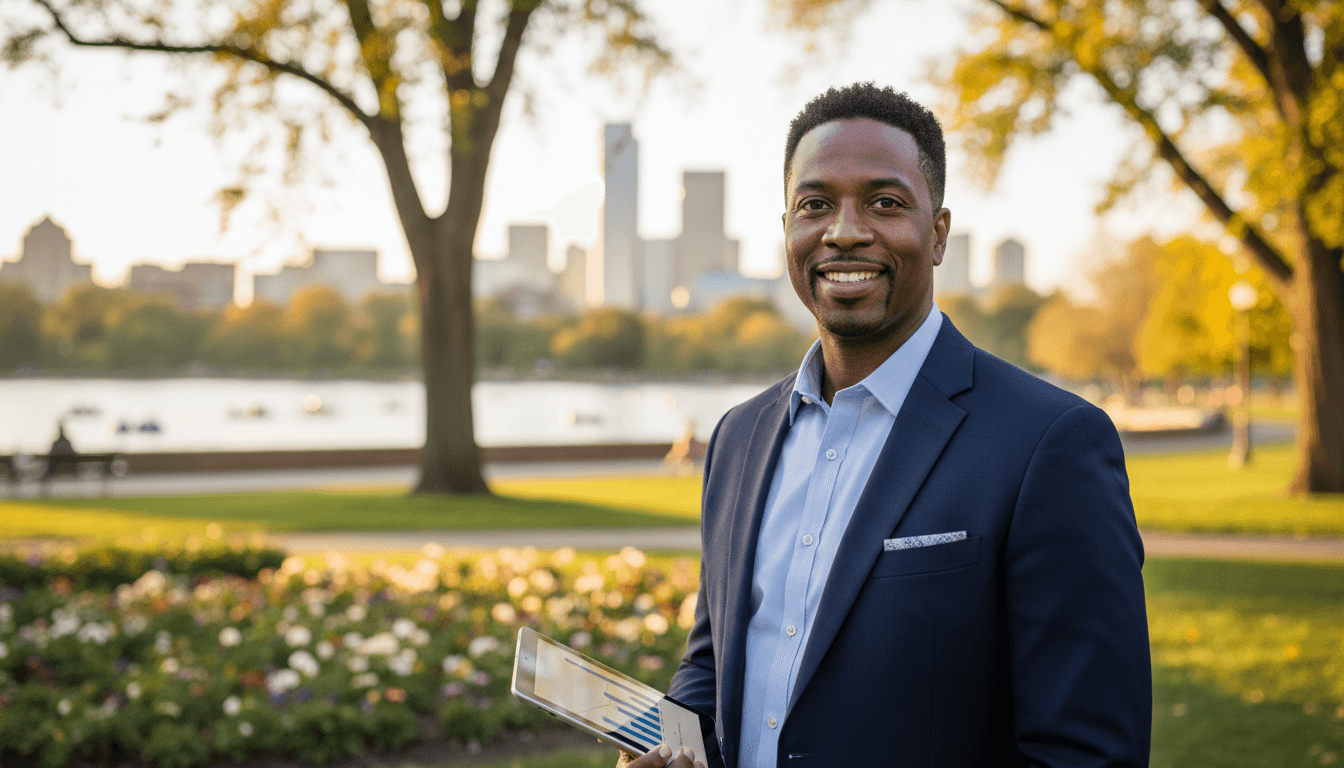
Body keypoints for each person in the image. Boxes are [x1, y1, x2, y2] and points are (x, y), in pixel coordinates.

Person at [621, 83, 1150, 768]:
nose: (844, 230)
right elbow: (713, 664)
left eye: (885, 202)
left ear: (937, 233)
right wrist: (667, 745)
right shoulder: (737, 438)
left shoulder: (1049, 445)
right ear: (787, 229)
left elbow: (1087, 754)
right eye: (815, 205)